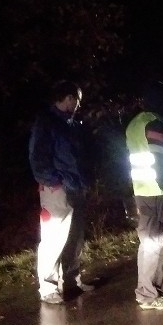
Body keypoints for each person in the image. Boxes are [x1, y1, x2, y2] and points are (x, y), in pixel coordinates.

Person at [28, 80, 95, 304]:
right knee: (54, 238)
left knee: (75, 238)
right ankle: (48, 287)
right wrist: (54, 182)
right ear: (68, 98)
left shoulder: (72, 124)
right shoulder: (46, 122)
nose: (78, 105)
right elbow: (38, 157)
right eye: (77, 100)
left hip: (76, 187)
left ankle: (71, 279)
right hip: (57, 189)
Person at [125, 81, 163, 310]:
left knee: (156, 243)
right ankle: (148, 294)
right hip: (157, 192)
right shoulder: (155, 124)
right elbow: (160, 161)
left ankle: (151, 290)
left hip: (143, 189)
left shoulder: (135, 124)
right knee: (153, 243)